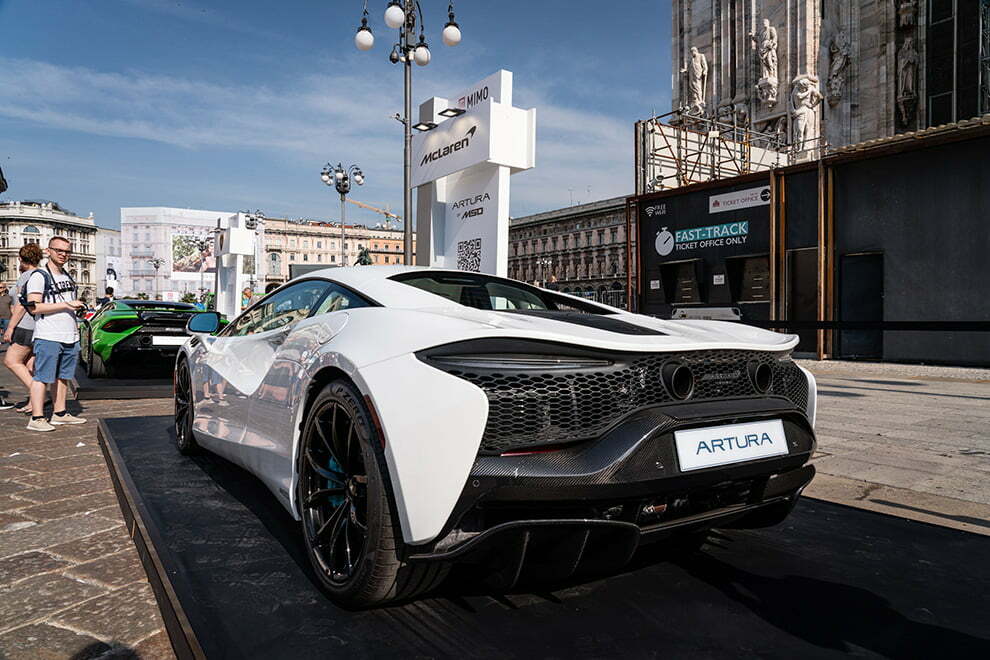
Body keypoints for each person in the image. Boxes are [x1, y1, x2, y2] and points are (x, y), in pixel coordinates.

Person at [24, 237, 87, 431]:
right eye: (58, 250)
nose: (63, 254)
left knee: (63, 376)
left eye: (67, 251)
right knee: (42, 377)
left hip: (69, 334)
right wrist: (66, 304)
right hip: (49, 334)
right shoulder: (39, 276)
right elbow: (34, 307)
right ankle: (36, 418)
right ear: (48, 251)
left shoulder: (67, 276)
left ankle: (59, 413)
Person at [2, 244, 43, 413]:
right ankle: (34, 401)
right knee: (29, 365)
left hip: (24, 325)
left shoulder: (26, 276)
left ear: (20, 259)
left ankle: (39, 394)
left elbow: (20, 306)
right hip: (37, 326)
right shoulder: (41, 274)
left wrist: (10, 328)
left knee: (11, 361)